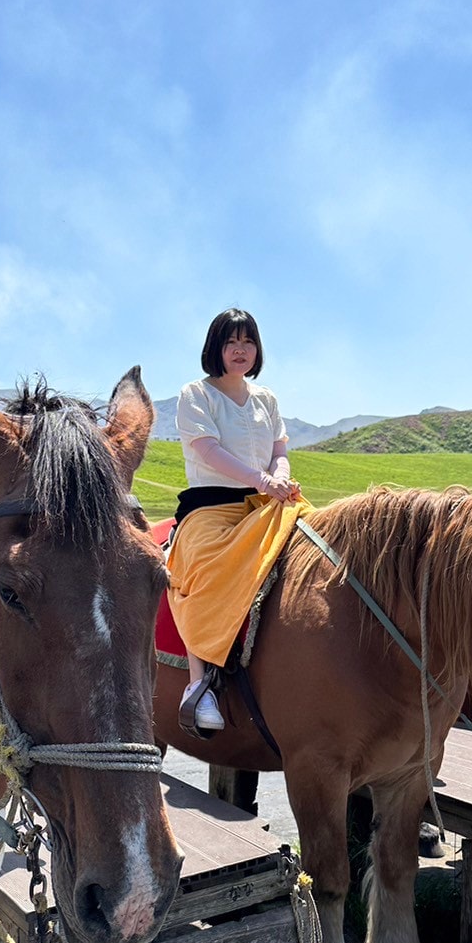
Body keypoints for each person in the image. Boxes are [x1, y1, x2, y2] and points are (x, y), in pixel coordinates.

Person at [167, 308, 303, 734]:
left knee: (321, 544)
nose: (240, 350)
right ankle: (198, 685)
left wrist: (279, 477)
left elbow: (279, 449)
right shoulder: (197, 395)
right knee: (204, 567)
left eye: (248, 342)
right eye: (231, 342)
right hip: (211, 505)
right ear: (216, 348)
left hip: (266, 500)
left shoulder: (267, 399)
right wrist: (263, 479)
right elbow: (208, 452)